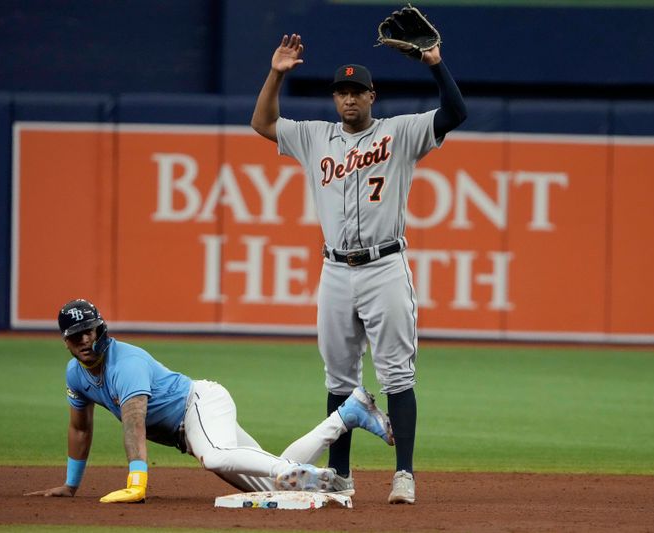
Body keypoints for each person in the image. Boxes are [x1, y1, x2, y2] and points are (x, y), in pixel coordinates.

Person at [250, 34, 467, 504]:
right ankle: (340, 474)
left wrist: (435, 64)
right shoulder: (313, 136)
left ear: (372, 96)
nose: (349, 97)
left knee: (397, 376)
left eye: (357, 91)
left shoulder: (400, 133)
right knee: (339, 379)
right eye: (341, 91)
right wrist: (277, 73)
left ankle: (404, 474)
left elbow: (455, 113)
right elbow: (262, 122)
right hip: (334, 270)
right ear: (335, 98)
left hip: (385, 266)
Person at [24, 298, 394, 503]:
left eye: (88, 332)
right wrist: (71, 485)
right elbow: (80, 427)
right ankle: (349, 412)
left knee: (214, 456)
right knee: (273, 488)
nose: (85, 342)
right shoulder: (76, 375)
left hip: (198, 405)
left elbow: (134, 421)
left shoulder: (127, 364)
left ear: (100, 329)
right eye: (76, 337)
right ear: (66, 342)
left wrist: (137, 481)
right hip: (191, 426)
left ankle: (302, 472)